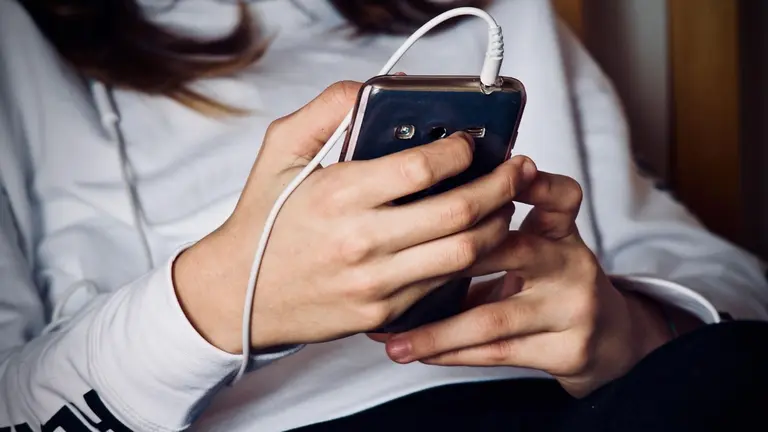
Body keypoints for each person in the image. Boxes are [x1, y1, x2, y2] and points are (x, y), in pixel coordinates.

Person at [0, 0, 766, 431]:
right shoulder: (20, 45)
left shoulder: (498, 14)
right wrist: (213, 300)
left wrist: (632, 329)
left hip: (595, 405)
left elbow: (727, 280)